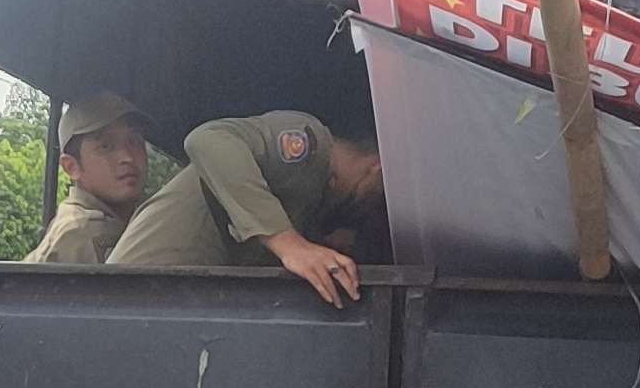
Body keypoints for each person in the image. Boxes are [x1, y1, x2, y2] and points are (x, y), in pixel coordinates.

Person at [104, 111, 385, 305]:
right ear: (376, 168)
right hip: (134, 295)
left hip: (160, 301)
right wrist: (290, 244)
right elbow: (206, 139)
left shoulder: (315, 195)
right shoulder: (309, 146)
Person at [30, 92, 155, 264]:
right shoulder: (81, 232)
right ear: (71, 167)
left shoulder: (130, 217)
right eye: (105, 146)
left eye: (134, 141)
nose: (127, 157)